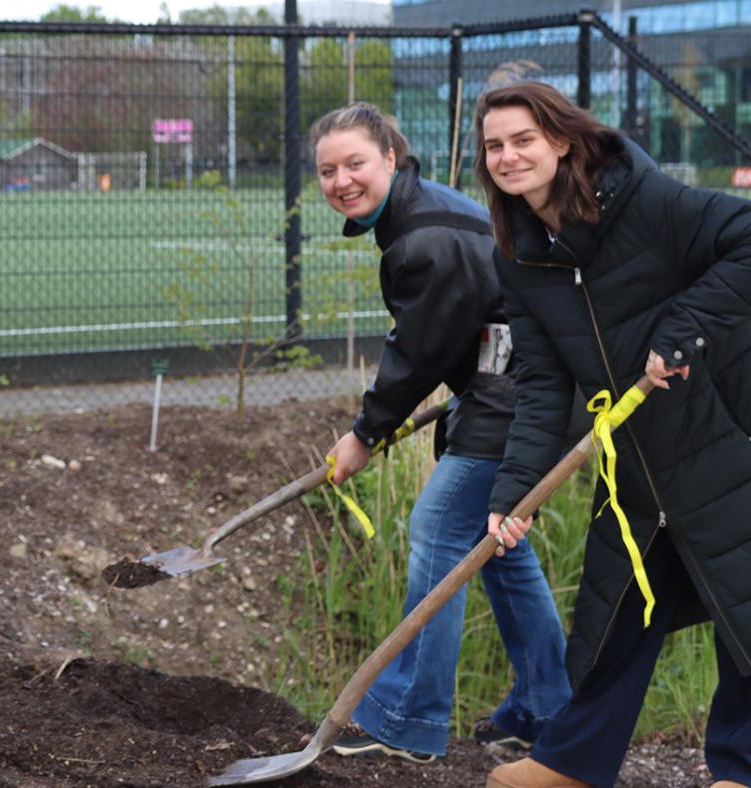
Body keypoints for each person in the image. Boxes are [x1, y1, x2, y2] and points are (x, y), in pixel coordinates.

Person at [476, 80, 751, 788]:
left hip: (725, 428)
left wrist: (682, 329)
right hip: (640, 458)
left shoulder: (646, 201)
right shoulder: (520, 255)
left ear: (561, 140)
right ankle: (571, 763)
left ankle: (738, 770)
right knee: (616, 612)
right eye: (494, 146)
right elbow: (541, 386)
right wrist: (518, 493)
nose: (508, 158)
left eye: (523, 140)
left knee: (741, 600)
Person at [310, 102, 571, 764]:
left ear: (391, 159)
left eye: (355, 164)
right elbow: (446, 337)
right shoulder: (418, 214)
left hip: (519, 391)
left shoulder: (423, 237)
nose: (341, 180)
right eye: (327, 170)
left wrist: (365, 432)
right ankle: (552, 714)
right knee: (498, 544)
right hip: (517, 380)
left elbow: (416, 351)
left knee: (438, 528)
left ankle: (408, 717)